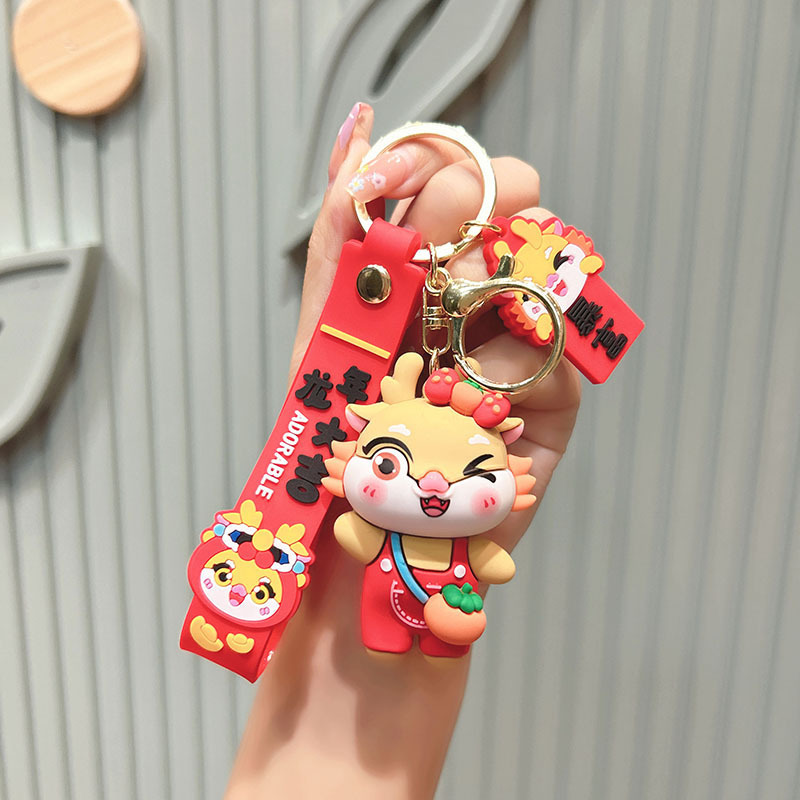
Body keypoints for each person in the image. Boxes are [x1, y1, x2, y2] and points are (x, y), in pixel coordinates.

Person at [225, 102, 581, 800]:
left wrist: (364, 721)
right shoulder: (368, 512)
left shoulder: (453, 523)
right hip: (389, 597)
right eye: (389, 464)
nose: (435, 489)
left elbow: (490, 559)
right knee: (393, 623)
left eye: (471, 473)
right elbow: (359, 532)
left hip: (435, 599)